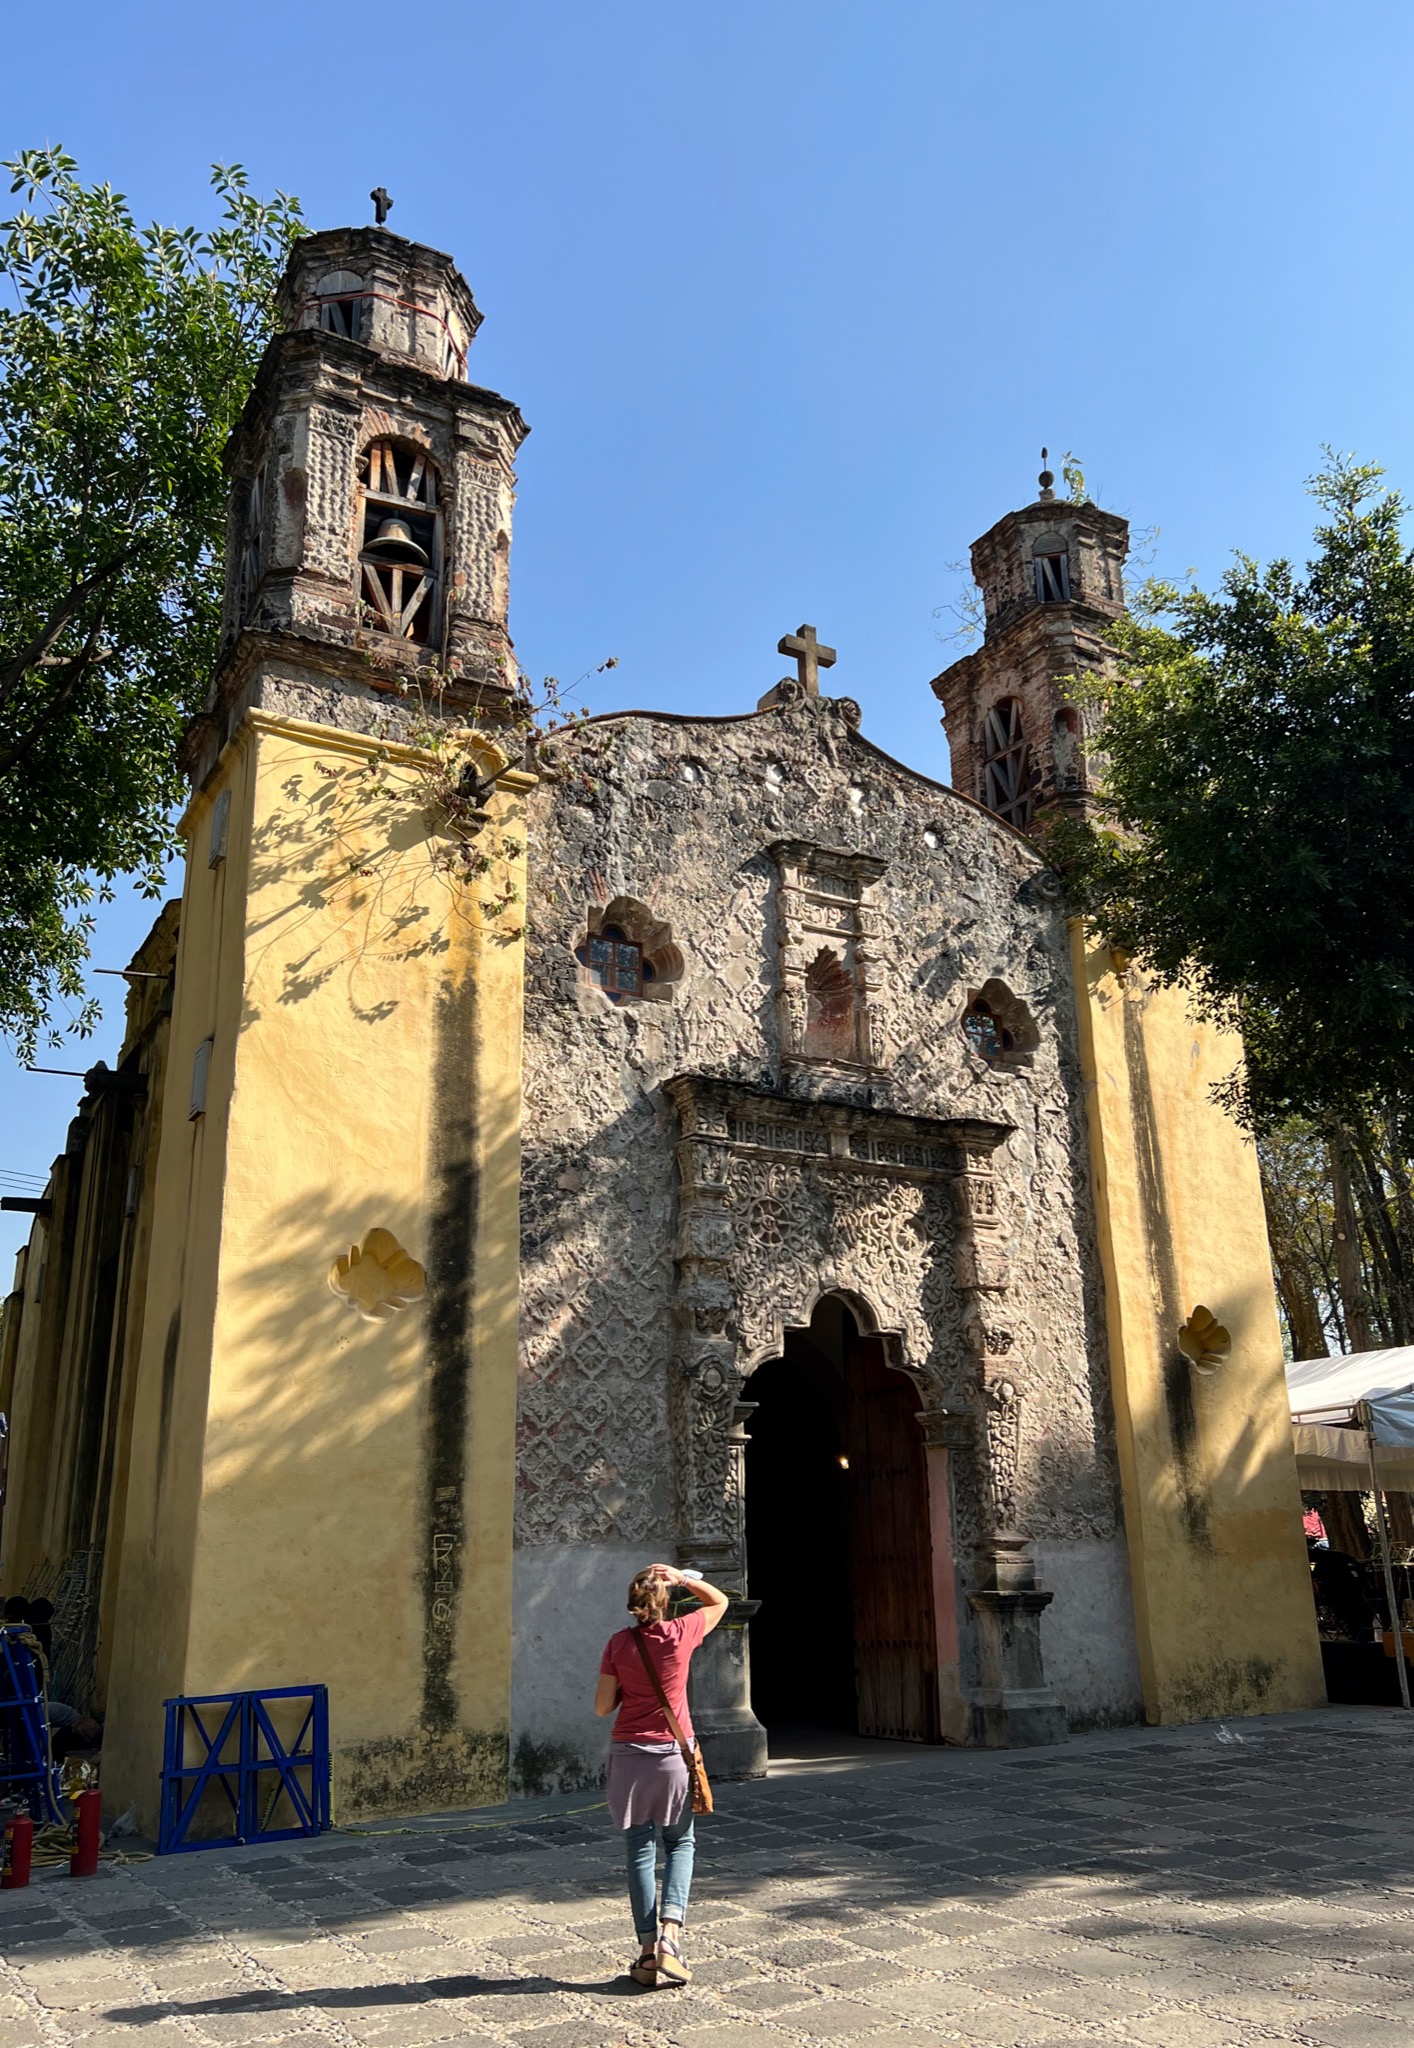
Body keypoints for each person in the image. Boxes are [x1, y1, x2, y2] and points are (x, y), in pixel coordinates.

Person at [596, 1561, 728, 1988]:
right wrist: (684, 1578)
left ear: (632, 1604)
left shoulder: (618, 1644)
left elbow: (601, 1707)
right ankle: (672, 1935)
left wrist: (626, 1688)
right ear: (665, 1601)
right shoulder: (681, 1633)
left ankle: (648, 1951)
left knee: (638, 1849)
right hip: (674, 1753)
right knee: (680, 1843)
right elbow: (722, 1601)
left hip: (629, 1755)